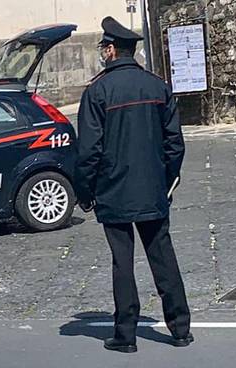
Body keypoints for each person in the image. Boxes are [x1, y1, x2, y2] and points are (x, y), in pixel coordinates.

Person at [74, 16, 193, 353]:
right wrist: (166, 181)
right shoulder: (157, 86)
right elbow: (175, 144)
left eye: (103, 47)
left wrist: (85, 193)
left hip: (113, 191)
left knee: (121, 262)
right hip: (152, 189)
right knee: (163, 256)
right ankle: (180, 328)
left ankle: (125, 335)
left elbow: (89, 152)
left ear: (111, 50)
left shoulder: (97, 91)